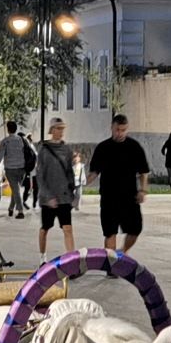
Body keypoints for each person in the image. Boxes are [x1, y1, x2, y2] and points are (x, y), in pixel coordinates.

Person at [87, 113, 150, 255]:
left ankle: (122, 253)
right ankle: (112, 264)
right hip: (109, 198)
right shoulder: (103, 148)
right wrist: (81, 182)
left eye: (123, 130)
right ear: (111, 128)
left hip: (129, 197)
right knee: (110, 232)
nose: (120, 133)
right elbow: (94, 173)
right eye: (117, 130)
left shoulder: (134, 147)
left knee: (135, 230)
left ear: (127, 129)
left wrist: (143, 191)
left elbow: (143, 172)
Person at [36, 118, 76, 264]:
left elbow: (70, 172)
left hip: (64, 196)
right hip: (48, 198)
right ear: (52, 130)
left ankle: (71, 261)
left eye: (62, 128)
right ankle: (42, 258)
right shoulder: (44, 149)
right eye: (58, 128)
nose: (60, 132)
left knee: (68, 228)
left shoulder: (67, 149)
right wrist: (48, 196)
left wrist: (73, 192)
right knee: (45, 228)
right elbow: (39, 175)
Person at [0, 121, 26, 218]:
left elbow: (0, 155)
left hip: (10, 168)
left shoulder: (5, 141)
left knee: (15, 189)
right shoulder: (20, 140)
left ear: (8, 129)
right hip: (21, 168)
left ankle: (20, 211)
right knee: (15, 188)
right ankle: (11, 208)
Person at [22, 134, 39, 211]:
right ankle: (24, 201)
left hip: (35, 171)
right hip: (29, 171)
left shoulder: (32, 148)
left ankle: (34, 202)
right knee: (28, 187)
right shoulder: (26, 149)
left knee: (36, 188)